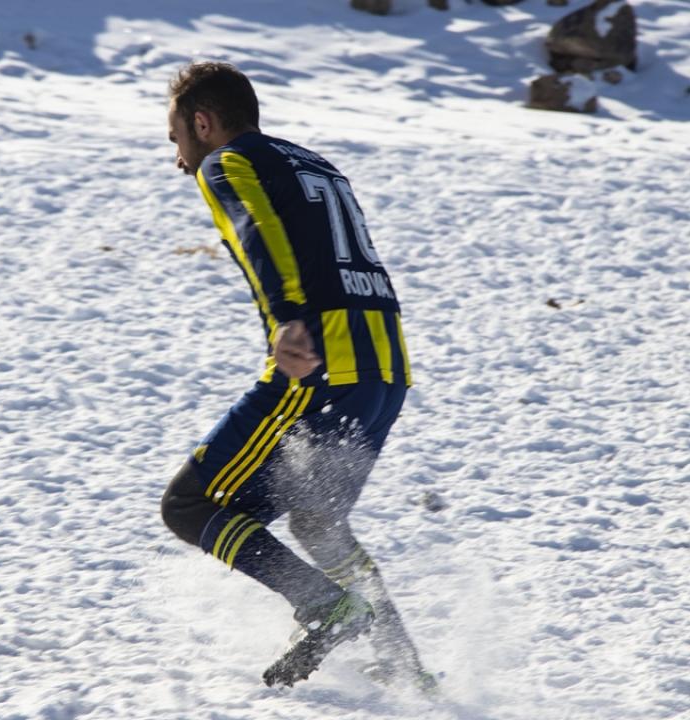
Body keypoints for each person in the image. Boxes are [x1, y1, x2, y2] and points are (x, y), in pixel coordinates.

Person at [160, 61, 435, 692]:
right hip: (386, 369)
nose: (179, 159)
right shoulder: (316, 164)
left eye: (177, 139)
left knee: (189, 506)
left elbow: (262, 238)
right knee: (316, 521)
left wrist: (288, 320)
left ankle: (329, 606)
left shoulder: (225, 164)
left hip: (319, 363)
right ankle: (406, 670)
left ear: (203, 123)